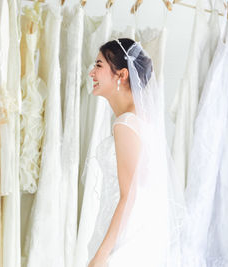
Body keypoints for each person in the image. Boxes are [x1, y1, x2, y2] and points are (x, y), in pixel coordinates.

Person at [87, 38, 185, 267]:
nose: (91, 72)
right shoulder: (141, 119)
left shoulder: (126, 124)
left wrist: (101, 256)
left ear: (121, 75)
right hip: (144, 232)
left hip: (128, 238)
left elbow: (129, 195)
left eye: (99, 65)